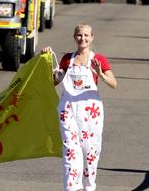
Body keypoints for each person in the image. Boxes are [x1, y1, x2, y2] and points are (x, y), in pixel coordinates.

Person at [41, 24, 116, 191]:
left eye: (86, 35)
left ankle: (89, 186)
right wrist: (46, 59)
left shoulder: (99, 60)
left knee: (90, 150)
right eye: (79, 35)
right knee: (70, 149)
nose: (83, 38)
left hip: (91, 111)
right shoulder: (67, 59)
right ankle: (71, 187)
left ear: (92, 37)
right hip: (68, 108)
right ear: (74, 37)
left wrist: (100, 73)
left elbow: (114, 84)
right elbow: (55, 80)